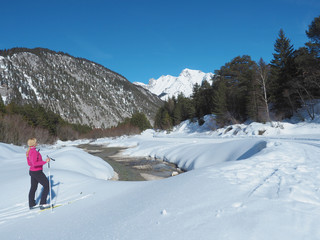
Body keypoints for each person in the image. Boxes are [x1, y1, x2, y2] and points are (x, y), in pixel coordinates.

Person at [26, 138, 51, 210]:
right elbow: (34, 163)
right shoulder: (34, 152)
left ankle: (31, 204)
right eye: (36, 142)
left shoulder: (29, 151)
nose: (37, 143)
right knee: (47, 185)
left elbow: (29, 163)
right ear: (33, 143)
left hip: (32, 172)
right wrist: (45, 161)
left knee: (33, 187)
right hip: (37, 172)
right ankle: (43, 203)